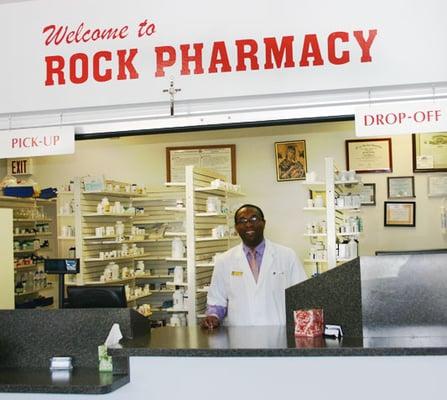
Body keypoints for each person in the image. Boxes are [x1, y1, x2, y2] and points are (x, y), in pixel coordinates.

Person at [201, 204, 307, 329]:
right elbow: (217, 301)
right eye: (242, 221)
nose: (249, 224)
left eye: (254, 219)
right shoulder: (224, 261)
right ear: (236, 227)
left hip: (278, 334)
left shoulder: (287, 256)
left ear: (263, 223)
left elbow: (302, 296)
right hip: (240, 336)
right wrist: (213, 316)